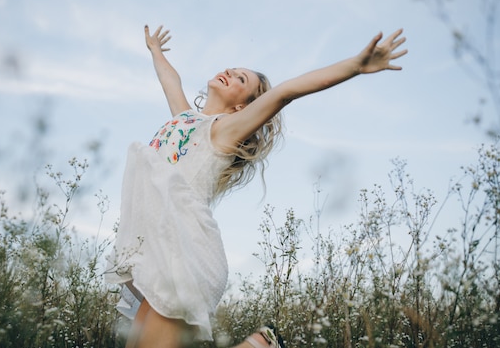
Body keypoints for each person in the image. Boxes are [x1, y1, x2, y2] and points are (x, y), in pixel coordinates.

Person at [106, 24, 407, 348]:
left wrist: (356, 66)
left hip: (186, 255)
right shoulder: (184, 119)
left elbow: (285, 93)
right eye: (231, 70)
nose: (229, 73)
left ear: (241, 107)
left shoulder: (225, 130)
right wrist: (156, 51)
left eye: (240, 79)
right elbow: (170, 80)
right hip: (159, 255)